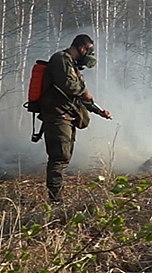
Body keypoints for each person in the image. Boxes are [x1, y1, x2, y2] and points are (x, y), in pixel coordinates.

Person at [40, 34, 112, 203]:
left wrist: (97, 110)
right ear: (82, 48)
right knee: (59, 158)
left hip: (66, 117)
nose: (89, 55)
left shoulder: (72, 65)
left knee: (63, 158)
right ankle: (55, 201)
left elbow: (79, 97)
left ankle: (57, 197)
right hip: (57, 116)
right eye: (89, 51)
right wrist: (85, 93)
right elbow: (71, 87)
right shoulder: (61, 59)